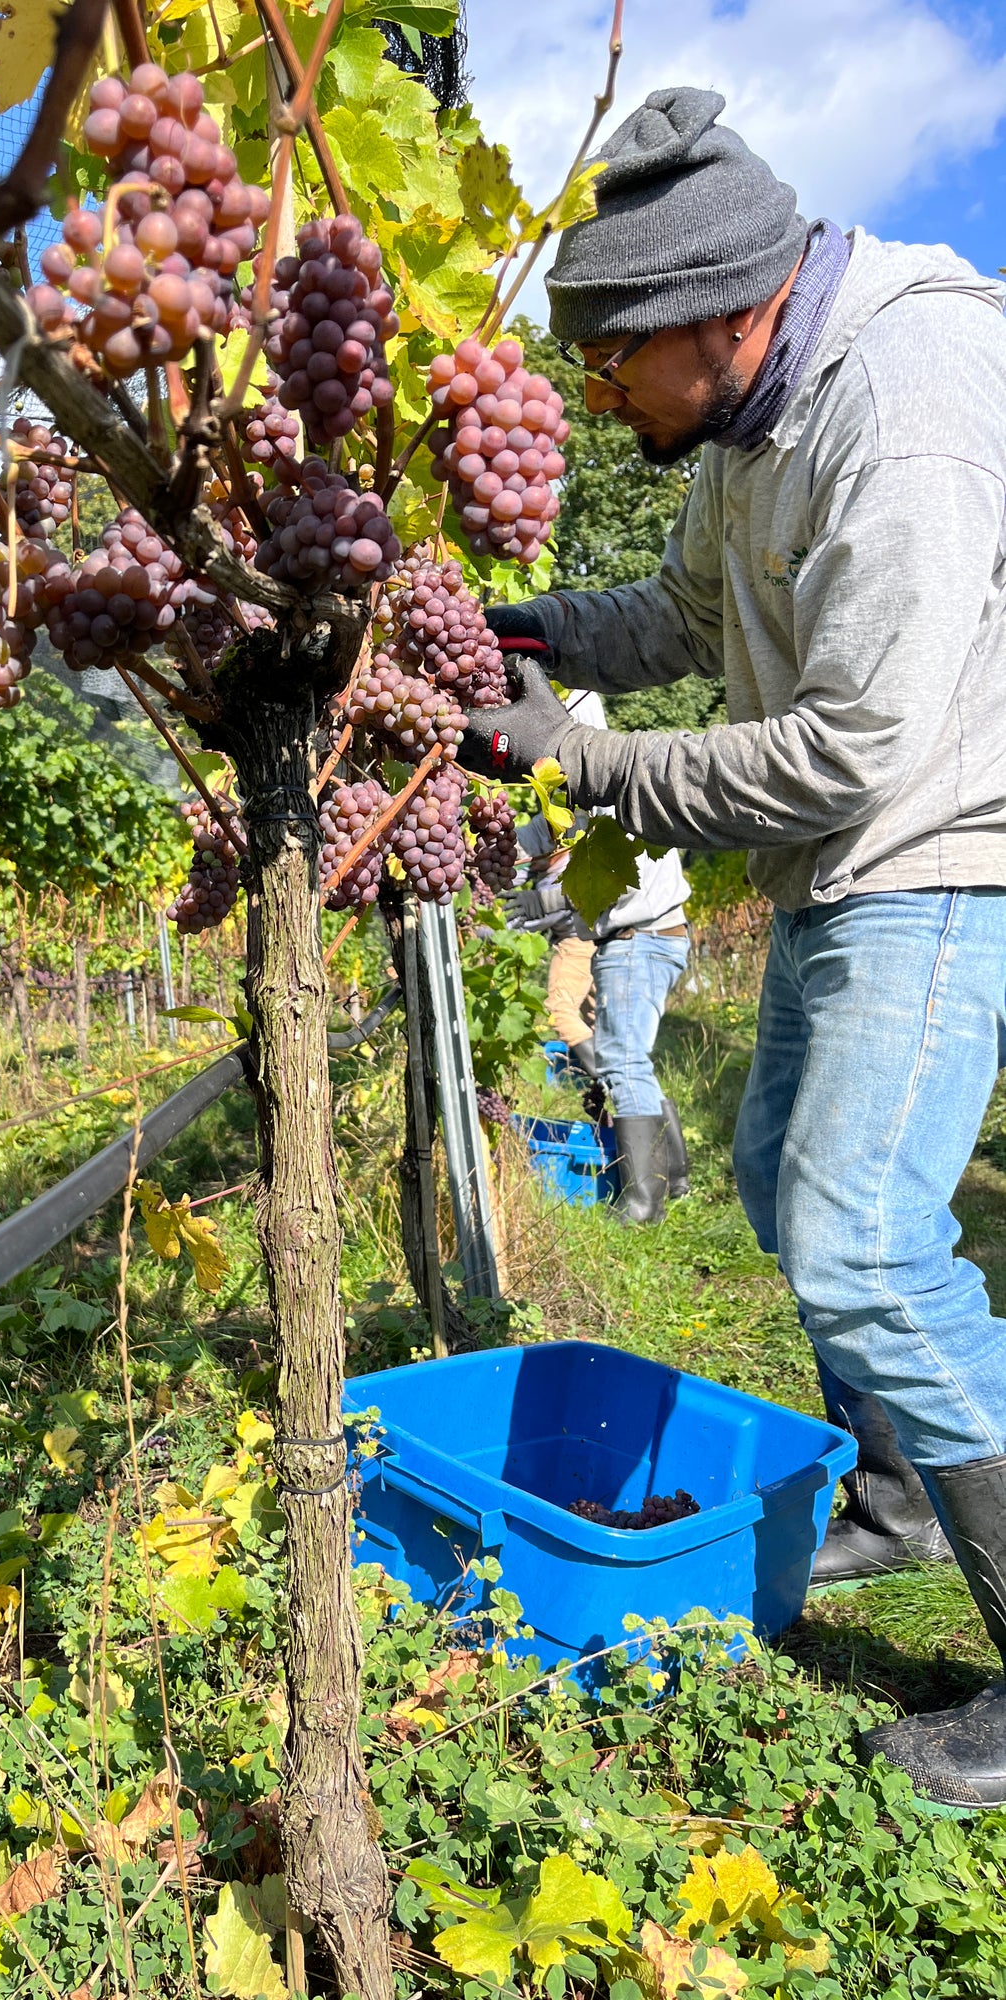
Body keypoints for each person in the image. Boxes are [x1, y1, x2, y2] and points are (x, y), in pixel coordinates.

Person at [458, 86, 1006, 1807]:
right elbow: (683, 617)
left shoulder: (903, 409)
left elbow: (856, 740)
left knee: (859, 1236)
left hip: (940, 848)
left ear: (716, 315)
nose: (600, 394)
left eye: (614, 360)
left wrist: (585, 761)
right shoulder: (747, 423)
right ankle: (908, 1497)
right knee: (782, 1180)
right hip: (843, 863)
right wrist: (509, 634)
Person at [506, 688, 692, 1221]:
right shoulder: (577, 796)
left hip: (643, 938)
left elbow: (620, 878)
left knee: (622, 1059)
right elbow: (536, 836)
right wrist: (482, 844)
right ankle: (671, 1177)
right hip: (636, 940)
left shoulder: (616, 787)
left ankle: (642, 1201)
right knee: (628, 1056)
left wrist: (546, 896)